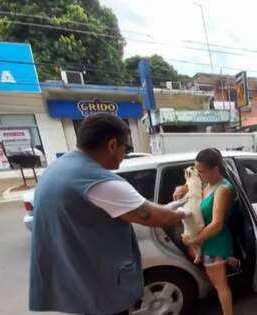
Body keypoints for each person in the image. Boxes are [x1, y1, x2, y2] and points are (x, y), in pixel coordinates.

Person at [29, 113, 186, 315]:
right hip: (101, 286)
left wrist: (172, 204)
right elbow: (159, 217)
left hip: (76, 277)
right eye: (126, 148)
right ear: (112, 145)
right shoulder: (101, 182)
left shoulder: (60, 167)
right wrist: (185, 211)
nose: (126, 154)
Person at [178, 148, 236, 315]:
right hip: (208, 240)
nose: (199, 175)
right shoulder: (207, 184)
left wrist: (194, 240)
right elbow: (191, 189)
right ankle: (231, 260)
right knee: (218, 282)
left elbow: (217, 224)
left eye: (202, 171)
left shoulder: (223, 189)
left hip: (215, 241)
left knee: (220, 286)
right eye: (197, 171)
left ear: (216, 169)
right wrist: (181, 190)